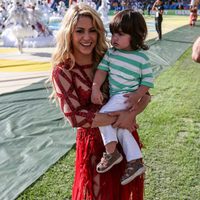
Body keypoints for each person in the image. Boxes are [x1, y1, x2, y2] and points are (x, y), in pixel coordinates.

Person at [50, 3, 151, 200]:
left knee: (122, 194)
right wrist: (119, 118)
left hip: (125, 136)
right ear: (68, 33)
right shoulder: (62, 71)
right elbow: (75, 117)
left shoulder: (109, 57)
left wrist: (130, 114)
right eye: (80, 31)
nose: (87, 37)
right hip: (96, 149)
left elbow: (145, 96)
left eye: (92, 31)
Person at [91, 9, 154, 186]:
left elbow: (147, 81)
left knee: (103, 116)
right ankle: (135, 160)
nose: (114, 39)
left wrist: (137, 95)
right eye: (113, 34)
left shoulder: (141, 58)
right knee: (120, 128)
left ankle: (112, 152)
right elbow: (102, 71)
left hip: (126, 97)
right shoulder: (111, 54)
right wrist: (95, 87)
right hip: (118, 98)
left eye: (120, 34)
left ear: (135, 35)